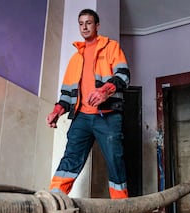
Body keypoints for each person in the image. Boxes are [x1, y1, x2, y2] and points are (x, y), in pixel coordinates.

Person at [46, 9, 130, 199]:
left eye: (89, 23)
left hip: (107, 115)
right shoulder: (75, 58)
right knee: (70, 158)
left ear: (97, 26)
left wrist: (105, 91)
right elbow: (67, 94)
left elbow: (124, 76)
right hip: (81, 117)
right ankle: (54, 200)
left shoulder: (111, 47)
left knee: (115, 160)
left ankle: (121, 207)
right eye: (81, 23)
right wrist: (56, 110)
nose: (84, 27)